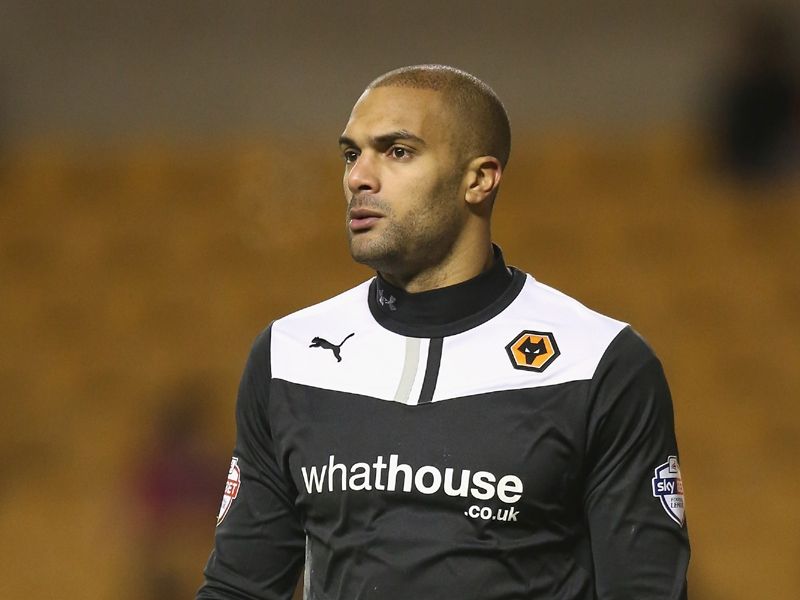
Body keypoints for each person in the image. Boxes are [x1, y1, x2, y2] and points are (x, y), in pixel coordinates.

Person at [196, 64, 690, 600]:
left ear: (479, 179)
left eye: (397, 151)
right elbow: (238, 588)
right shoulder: (288, 356)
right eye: (351, 153)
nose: (359, 176)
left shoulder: (599, 363)